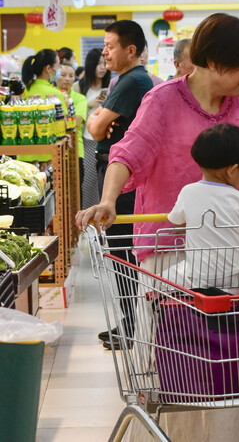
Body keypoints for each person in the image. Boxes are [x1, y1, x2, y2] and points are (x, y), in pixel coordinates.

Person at [76, 12, 239, 442]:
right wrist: (108, 200)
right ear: (217, 62)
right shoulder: (163, 101)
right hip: (169, 252)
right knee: (174, 367)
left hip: (227, 254)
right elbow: (128, 153)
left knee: (226, 363)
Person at [87, 20, 154, 350]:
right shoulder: (128, 79)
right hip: (117, 172)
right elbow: (100, 127)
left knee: (123, 251)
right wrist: (100, 119)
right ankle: (129, 322)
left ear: (131, 50)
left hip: (122, 178)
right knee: (121, 252)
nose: (104, 51)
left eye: (110, 46)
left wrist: (98, 116)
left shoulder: (132, 81)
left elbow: (97, 130)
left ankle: (132, 325)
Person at [167, 123, 239, 292]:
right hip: (236, 284)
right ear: (232, 170)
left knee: (162, 279)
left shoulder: (187, 192)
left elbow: (178, 227)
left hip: (198, 280)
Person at [73, 48, 111, 209]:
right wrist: (89, 105)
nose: (102, 67)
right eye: (98, 64)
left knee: (105, 184)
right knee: (87, 183)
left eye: (104, 64)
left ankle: (102, 221)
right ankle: (88, 221)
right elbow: (72, 115)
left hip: (106, 140)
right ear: (90, 65)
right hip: (85, 140)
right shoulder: (79, 87)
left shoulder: (111, 86)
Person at [21, 49, 69, 163]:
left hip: (22, 155)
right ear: (48, 68)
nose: (59, 69)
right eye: (57, 66)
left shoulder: (24, 91)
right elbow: (63, 125)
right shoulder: (55, 95)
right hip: (46, 157)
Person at [57, 61, 87, 198]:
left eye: (71, 75)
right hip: (54, 151)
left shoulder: (80, 98)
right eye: (63, 75)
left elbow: (75, 122)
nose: (67, 79)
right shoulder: (52, 96)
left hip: (76, 151)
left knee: (75, 193)